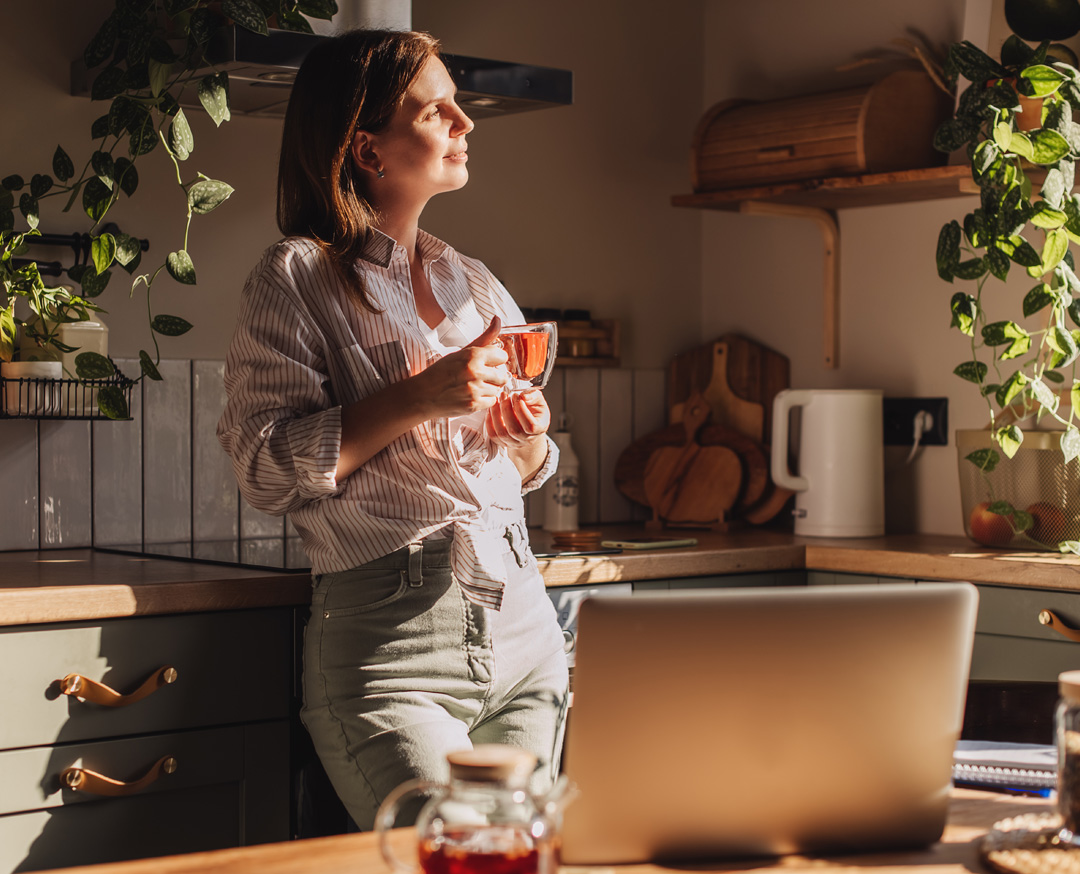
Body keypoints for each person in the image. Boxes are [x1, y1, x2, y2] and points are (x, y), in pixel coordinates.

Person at [216, 28, 569, 830]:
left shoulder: (474, 282)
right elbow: (265, 468)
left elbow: (525, 466)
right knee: (449, 855)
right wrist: (419, 396)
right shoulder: (297, 275)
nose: (464, 122)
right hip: (393, 653)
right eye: (436, 109)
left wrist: (525, 434)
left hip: (525, 631)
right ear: (367, 148)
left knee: (523, 861)